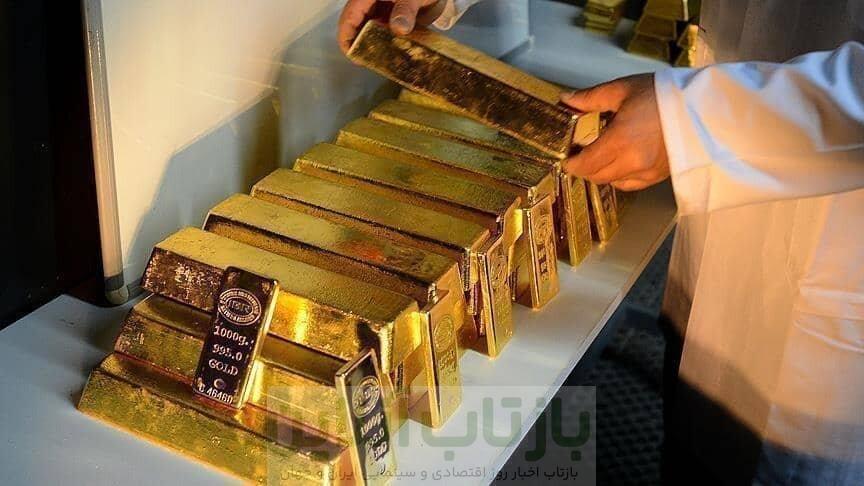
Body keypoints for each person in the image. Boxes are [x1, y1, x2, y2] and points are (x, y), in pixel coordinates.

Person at [338, 0, 864, 483]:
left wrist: (697, 121)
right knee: (696, 423)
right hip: (734, 135)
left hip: (837, 223)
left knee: (778, 455)